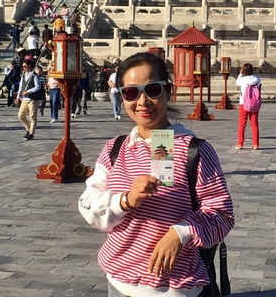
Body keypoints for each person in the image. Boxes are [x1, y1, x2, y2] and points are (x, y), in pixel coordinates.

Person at [78, 52, 235, 296]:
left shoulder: (195, 150)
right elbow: (88, 203)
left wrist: (180, 232)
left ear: (168, 91)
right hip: (119, 281)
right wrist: (125, 200)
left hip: (177, 286)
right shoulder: (115, 148)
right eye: (131, 92)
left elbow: (221, 215)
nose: (142, 101)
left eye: (152, 89)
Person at [235, 63, 261, 149]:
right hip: (254, 103)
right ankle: (255, 143)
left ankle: (240, 143)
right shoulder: (257, 79)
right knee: (254, 124)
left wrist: (240, 74)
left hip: (243, 103)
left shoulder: (242, 80)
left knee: (242, 124)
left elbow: (237, 82)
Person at [16, 61, 44, 140]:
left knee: (32, 116)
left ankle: (31, 133)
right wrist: (18, 96)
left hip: (33, 99)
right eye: (23, 66)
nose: (23, 68)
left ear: (30, 66)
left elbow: (38, 87)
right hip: (25, 99)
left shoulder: (35, 75)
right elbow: (21, 87)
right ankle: (28, 129)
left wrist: (28, 91)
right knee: (21, 115)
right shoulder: (24, 75)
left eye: (25, 66)